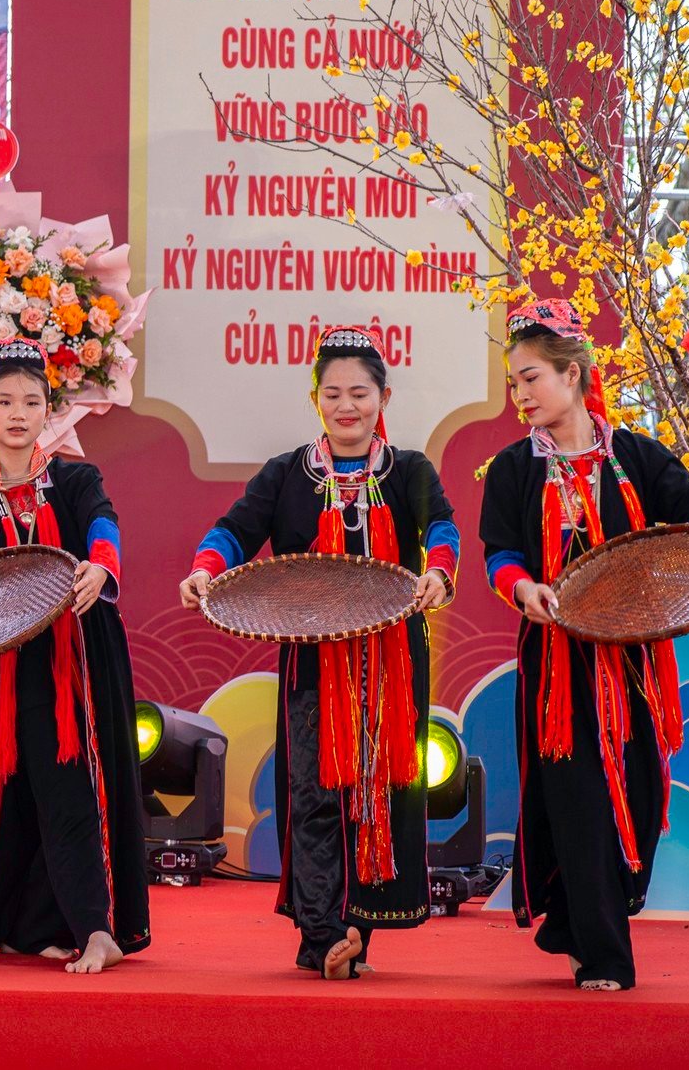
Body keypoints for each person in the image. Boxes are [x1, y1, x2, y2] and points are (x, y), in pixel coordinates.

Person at [478, 300, 689, 991]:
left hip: (634, 665)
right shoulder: (513, 470)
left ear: (573, 374)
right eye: (513, 384)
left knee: (639, 802)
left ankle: (576, 915)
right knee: (580, 801)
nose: (520, 396)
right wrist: (525, 590)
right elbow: (499, 554)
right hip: (557, 668)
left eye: (530, 379)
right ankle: (604, 956)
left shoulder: (635, 455)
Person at [178, 325, 458, 979]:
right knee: (312, 792)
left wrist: (439, 572)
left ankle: (357, 926)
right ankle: (323, 932)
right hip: (314, 665)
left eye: (359, 392)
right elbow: (234, 531)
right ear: (316, 400)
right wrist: (204, 567)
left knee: (376, 791)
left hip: (392, 664)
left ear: (382, 396)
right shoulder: (287, 474)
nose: (346, 406)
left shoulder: (409, 470)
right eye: (332, 393)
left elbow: (441, 527)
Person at [0, 339, 150, 974]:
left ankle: (96, 926)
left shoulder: (75, 479)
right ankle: (37, 924)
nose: (18, 412)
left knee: (73, 778)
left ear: (49, 410)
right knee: (44, 780)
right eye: (4, 401)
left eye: (31, 401)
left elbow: (103, 525)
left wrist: (101, 568)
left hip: (86, 649)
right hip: (24, 664)